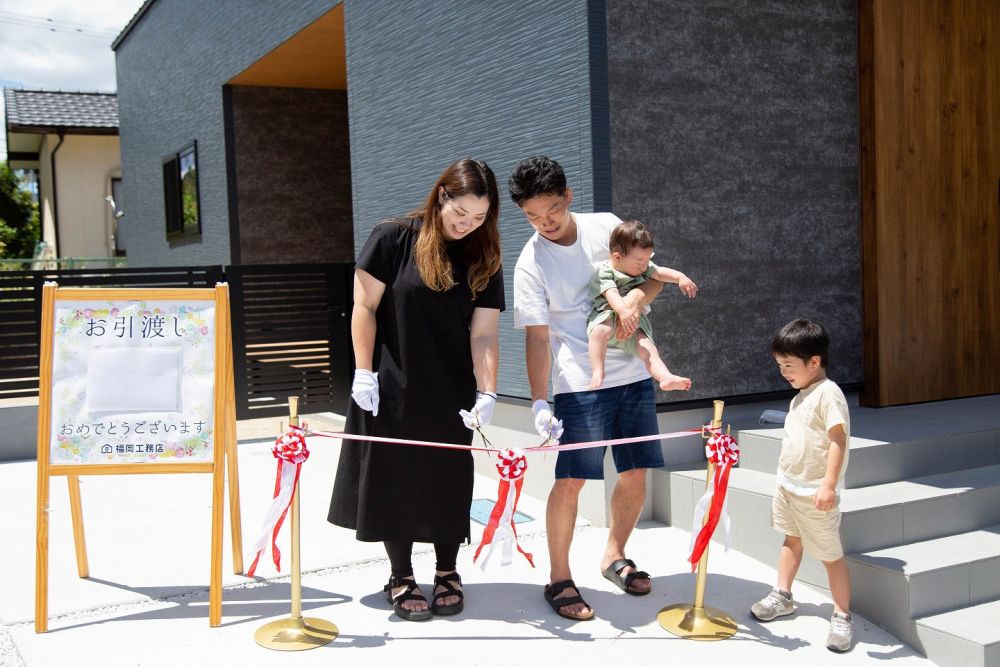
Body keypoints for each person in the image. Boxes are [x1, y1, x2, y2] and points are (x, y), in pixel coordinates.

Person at [328, 158, 504, 622]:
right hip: (391, 381)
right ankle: (401, 574)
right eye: (461, 213)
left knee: (448, 476)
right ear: (442, 196)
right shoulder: (393, 238)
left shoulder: (484, 256)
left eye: (480, 217)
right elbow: (363, 306)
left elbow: (484, 333)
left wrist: (487, 391)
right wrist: (363, 372)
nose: (468, 225)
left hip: (451, 387)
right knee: (395, 475)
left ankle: (448, 570)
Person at [509, 155, 668, 621]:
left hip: (634, 374)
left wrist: (634, 300)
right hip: (581, 383)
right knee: (572, 479)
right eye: (532, 216)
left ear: (569, 197)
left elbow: (651, 277)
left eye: (552, 210)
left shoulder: (608, 228)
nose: (545, 223)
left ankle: (613, 555)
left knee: (636, 472)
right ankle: (559, 577)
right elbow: (538, 338)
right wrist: (540, 400)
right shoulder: (530, 263)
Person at [751, 319, 853, 652]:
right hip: (789, 488)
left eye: (788, 365)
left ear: (814, 362)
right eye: (779, 365)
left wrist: (828, 485)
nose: (783, 372)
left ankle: (841, 615)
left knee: (830, 555)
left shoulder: (829, 394)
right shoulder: (800, 396)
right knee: (790, 540)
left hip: (814, 493)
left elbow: (837, 440)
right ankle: (783, 594)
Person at [587, 219, 697, 391]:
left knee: (648, 349)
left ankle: (664, 377)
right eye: (640, 263)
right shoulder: (605, 271)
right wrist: (623, 311)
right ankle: (597, 370)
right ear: (617, 257)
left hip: (635, 325)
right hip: (609, 316)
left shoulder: (642, 266)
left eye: (647, 261)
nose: (645, 266)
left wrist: (680, 277)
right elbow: (611, 293)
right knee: (599, 333)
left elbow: (660, 273)